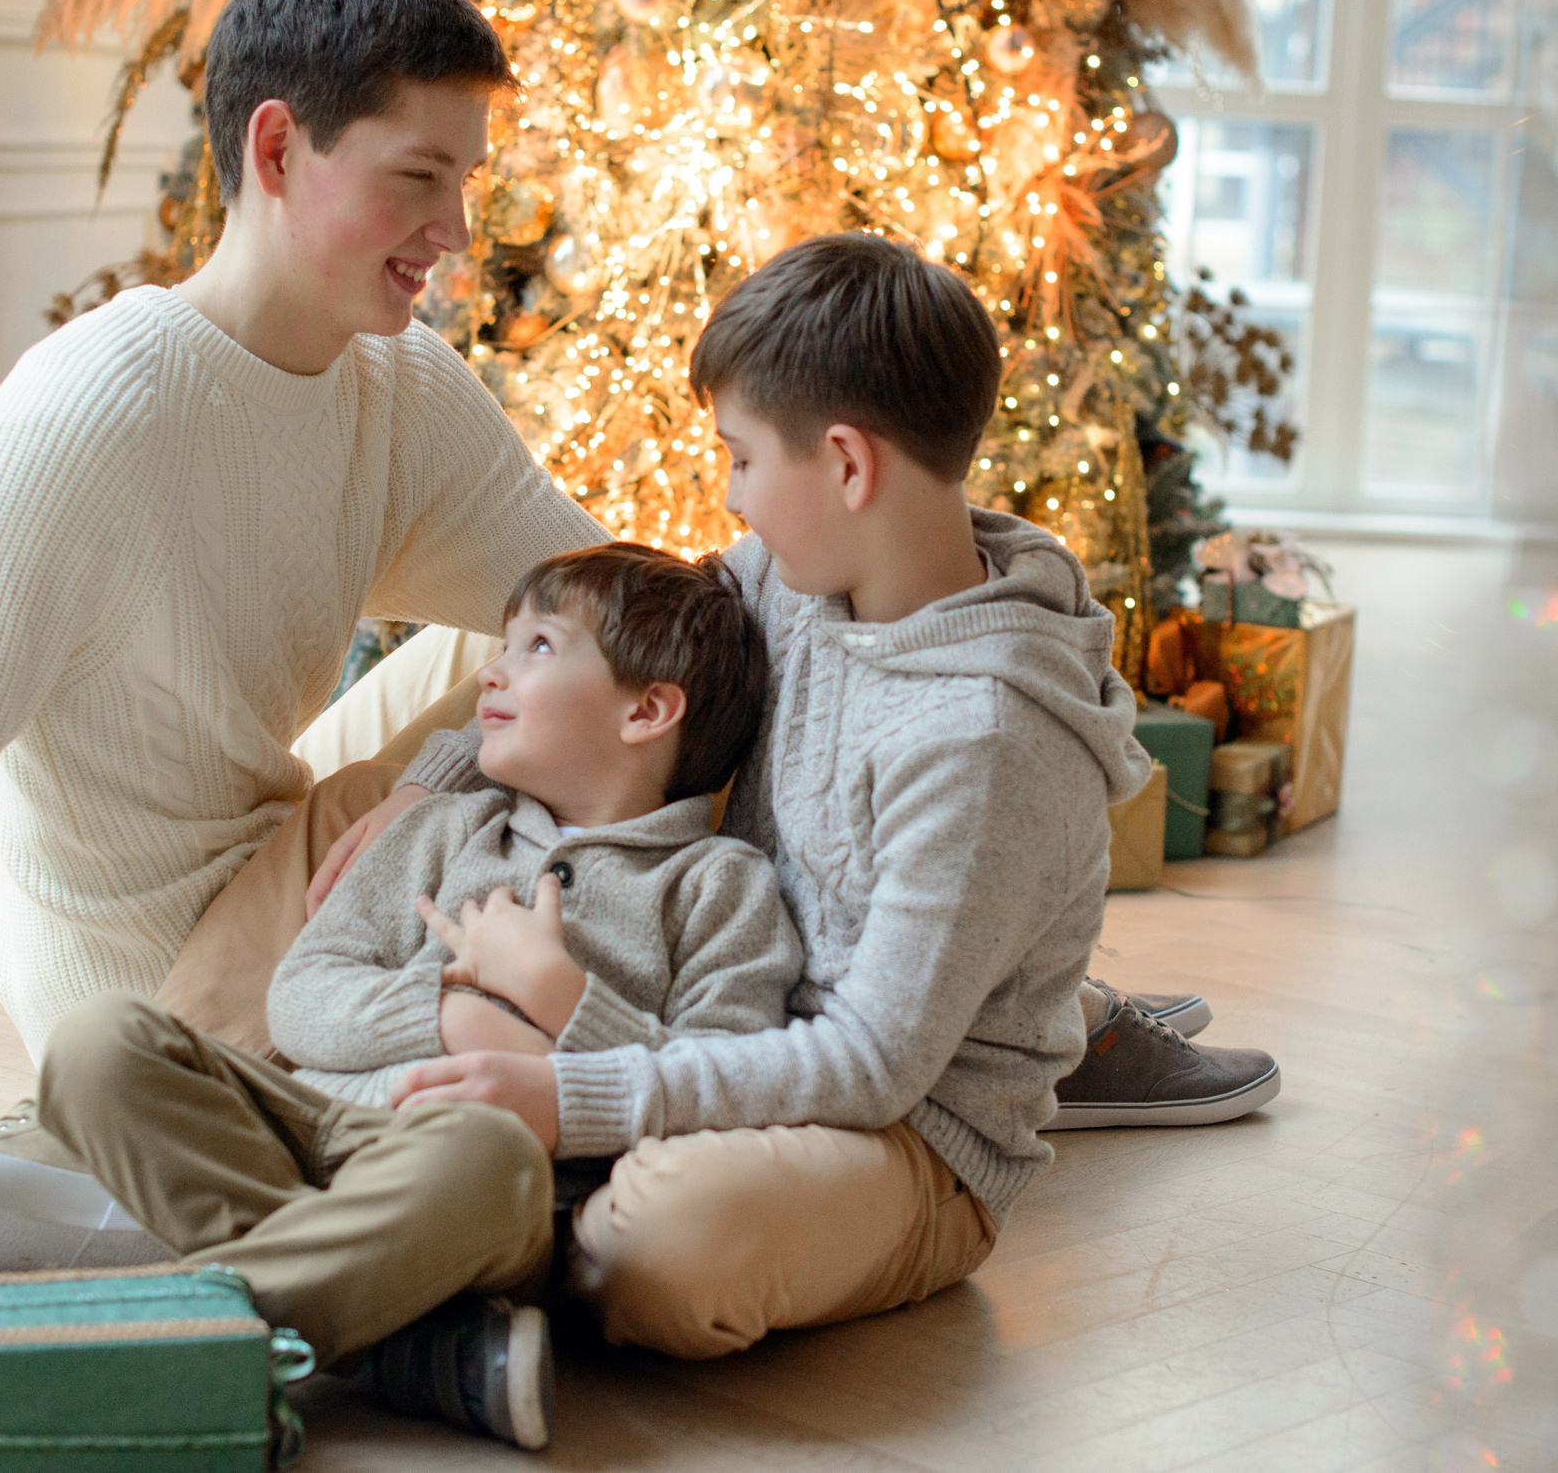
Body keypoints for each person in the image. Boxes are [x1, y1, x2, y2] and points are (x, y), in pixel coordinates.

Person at [363, 232, 1284, 1358]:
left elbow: (865, 1066)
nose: (730, 493)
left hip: (899, 1135)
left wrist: (573, 1092)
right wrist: (432, 776)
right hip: (712, 1006)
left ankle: (435, 1239)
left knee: (656, 1243)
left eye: (742, 458)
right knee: (363, 821)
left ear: (846, 464)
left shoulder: (985, 742)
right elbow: (607, 655)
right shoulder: (789, 582)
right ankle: (379, 1157)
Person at [0, 0, 607, 1145]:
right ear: (276, 149)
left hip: (292, 870)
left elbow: (615, 611)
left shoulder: (392, 384)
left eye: (465, 183)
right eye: (417, 177)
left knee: (559, 642)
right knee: (511, 1126)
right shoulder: (82, 422)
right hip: (151, 990)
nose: (454, 229)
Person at [0, 544, 797, 1449]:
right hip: (304, 1127)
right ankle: (396, 1342)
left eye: (537, 648)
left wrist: (561, 1001)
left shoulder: (720, 887)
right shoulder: (440, 831)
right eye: (501, 645)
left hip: (466, 1176)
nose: (490, 675)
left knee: (485, 1151)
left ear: (647, 711)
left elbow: (716, 1085)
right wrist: (452, 1014)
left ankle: (135, 1334)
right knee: (100, 1041)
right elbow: (304, 998)